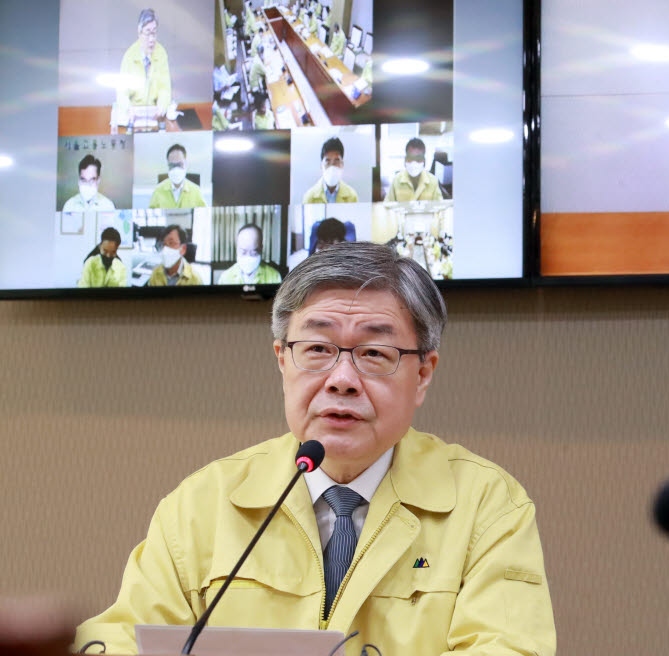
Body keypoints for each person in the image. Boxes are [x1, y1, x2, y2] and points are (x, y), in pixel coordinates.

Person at [73, 242, 556, 656]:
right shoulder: (203, 504)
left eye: (373, 354)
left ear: (423, 373)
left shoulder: (487, 506)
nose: (342, 380)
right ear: (283, 359)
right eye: (318, 350)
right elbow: (121, 639)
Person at [117, 9, 172, 119]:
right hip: (134, 112)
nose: (152, 39)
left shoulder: (161, 53)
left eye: (154, 33)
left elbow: (165, 88)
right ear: (139, 32)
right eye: (147, 33)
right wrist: (128, 109)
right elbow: (121, 93)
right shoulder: (129, 56)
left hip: (154, 112)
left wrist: (162, 106)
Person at [218, 223, 282, 285]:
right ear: (237, 248)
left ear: (261, 249)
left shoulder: (274, 277)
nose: (248, 257)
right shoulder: (225, 278)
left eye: (253, 253)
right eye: (243, 252)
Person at [148, 144, 207, 209]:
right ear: (168, 165)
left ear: (186, 164)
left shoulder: (196, 191)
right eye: (172, 165)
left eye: (179, 164)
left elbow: (204, 216)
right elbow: (151, 216)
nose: (176, 169)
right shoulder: (158, 191)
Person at [302, 137, 359, 204]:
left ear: (342, 164)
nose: (332, 167)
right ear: (321, 165)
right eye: (328, 161)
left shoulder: (352, 196)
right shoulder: (309, 197)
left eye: (336, 161)